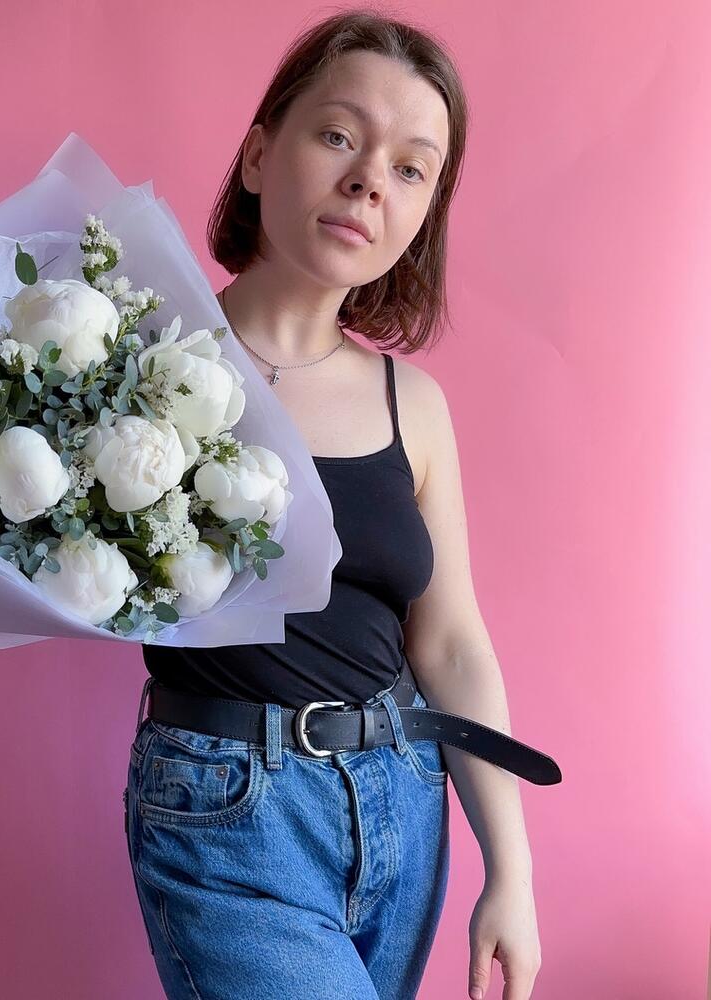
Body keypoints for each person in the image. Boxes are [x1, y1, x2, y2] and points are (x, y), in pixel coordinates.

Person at [126, 9, 546, 1000]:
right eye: (337, 135)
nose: (368, 180)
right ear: (258, 155)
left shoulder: (415, 405)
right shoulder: (139, 362)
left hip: (402, 799)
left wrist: (513, 870)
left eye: (411, 168)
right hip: (226, 808)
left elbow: (451, 643)